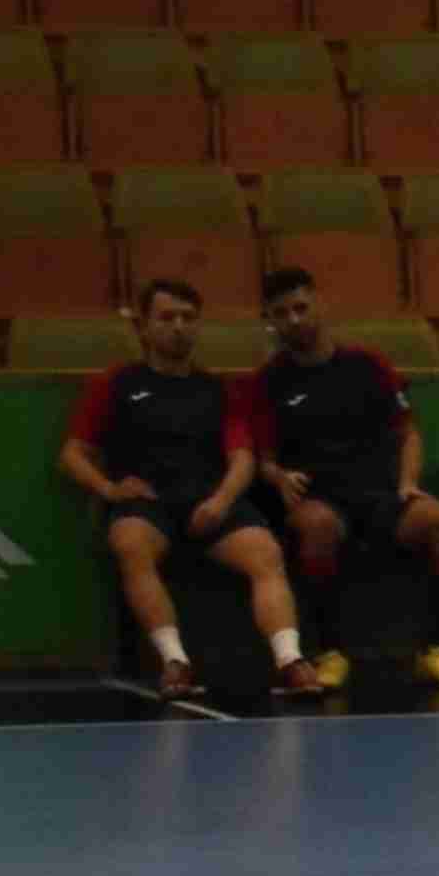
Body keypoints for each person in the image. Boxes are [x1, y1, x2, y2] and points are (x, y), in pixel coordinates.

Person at [59, 278, 312, 702]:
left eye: (188, 318)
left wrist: (220, 502)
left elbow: (242, 458)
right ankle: (175, 661)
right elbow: (72, 453)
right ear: (144, 326)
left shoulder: (218, 389)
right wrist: (108, 488)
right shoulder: (116, 383)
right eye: (167, 317)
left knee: (265, 552)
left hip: (208, 501)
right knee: (131, 544)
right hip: (147, 504)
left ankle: (290, 660)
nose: (178, 326)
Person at [247, 261, 439, 692]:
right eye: (282, 313)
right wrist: (278, 477)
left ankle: (434, 650)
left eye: (300, 308)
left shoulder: (369, 365)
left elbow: (408, 432)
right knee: (317, 527)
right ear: (271, 321)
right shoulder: (268, 382)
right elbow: (264, 459)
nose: (294, 319)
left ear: (319, 305)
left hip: (381, 494)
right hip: (319, 498)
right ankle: (331, 653)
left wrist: (407, 483)